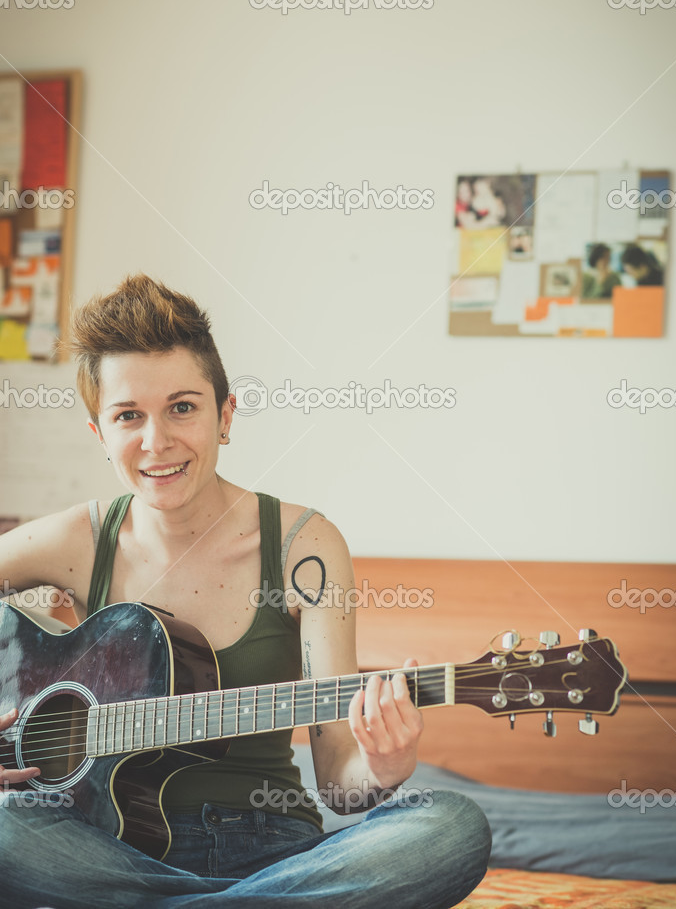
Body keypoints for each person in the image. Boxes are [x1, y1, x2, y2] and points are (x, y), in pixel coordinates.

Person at [0, 274, 491, 908]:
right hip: (110, 853)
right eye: (128, 416)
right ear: (100, 434)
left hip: (276, 850)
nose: (157, 441)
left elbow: (340, 785)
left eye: (182, 407)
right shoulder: (77, 540)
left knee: (449, 825)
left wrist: (383, 766)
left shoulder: (303, 547)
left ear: (225, 415)